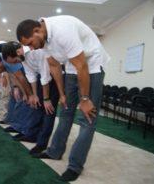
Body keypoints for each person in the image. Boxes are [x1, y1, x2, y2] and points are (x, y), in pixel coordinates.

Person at [16, 15, 110, 182]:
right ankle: (54, 151)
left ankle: (75, 166)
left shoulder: (62, 29)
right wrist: (62, 94)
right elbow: (53, 66)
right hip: (72, 68)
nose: (31, 48)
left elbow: (82, 65)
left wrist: (86, 98)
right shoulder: (43, 41)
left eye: (30, 43)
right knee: (66, 111)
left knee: (87, 118)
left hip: (92, 66)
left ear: (37, 31)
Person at [2, 41, 60, 155]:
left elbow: (45, 75)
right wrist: (34, 95)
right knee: (36, 106)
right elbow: (31, 75)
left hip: (52, 78)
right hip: (41, 77)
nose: (15, 64)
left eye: (15, 61)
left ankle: (42, 143)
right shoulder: (23, 57)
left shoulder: (37, 51)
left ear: (18, 52)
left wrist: (46, 99)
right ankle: (32, 135)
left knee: (48, 111)